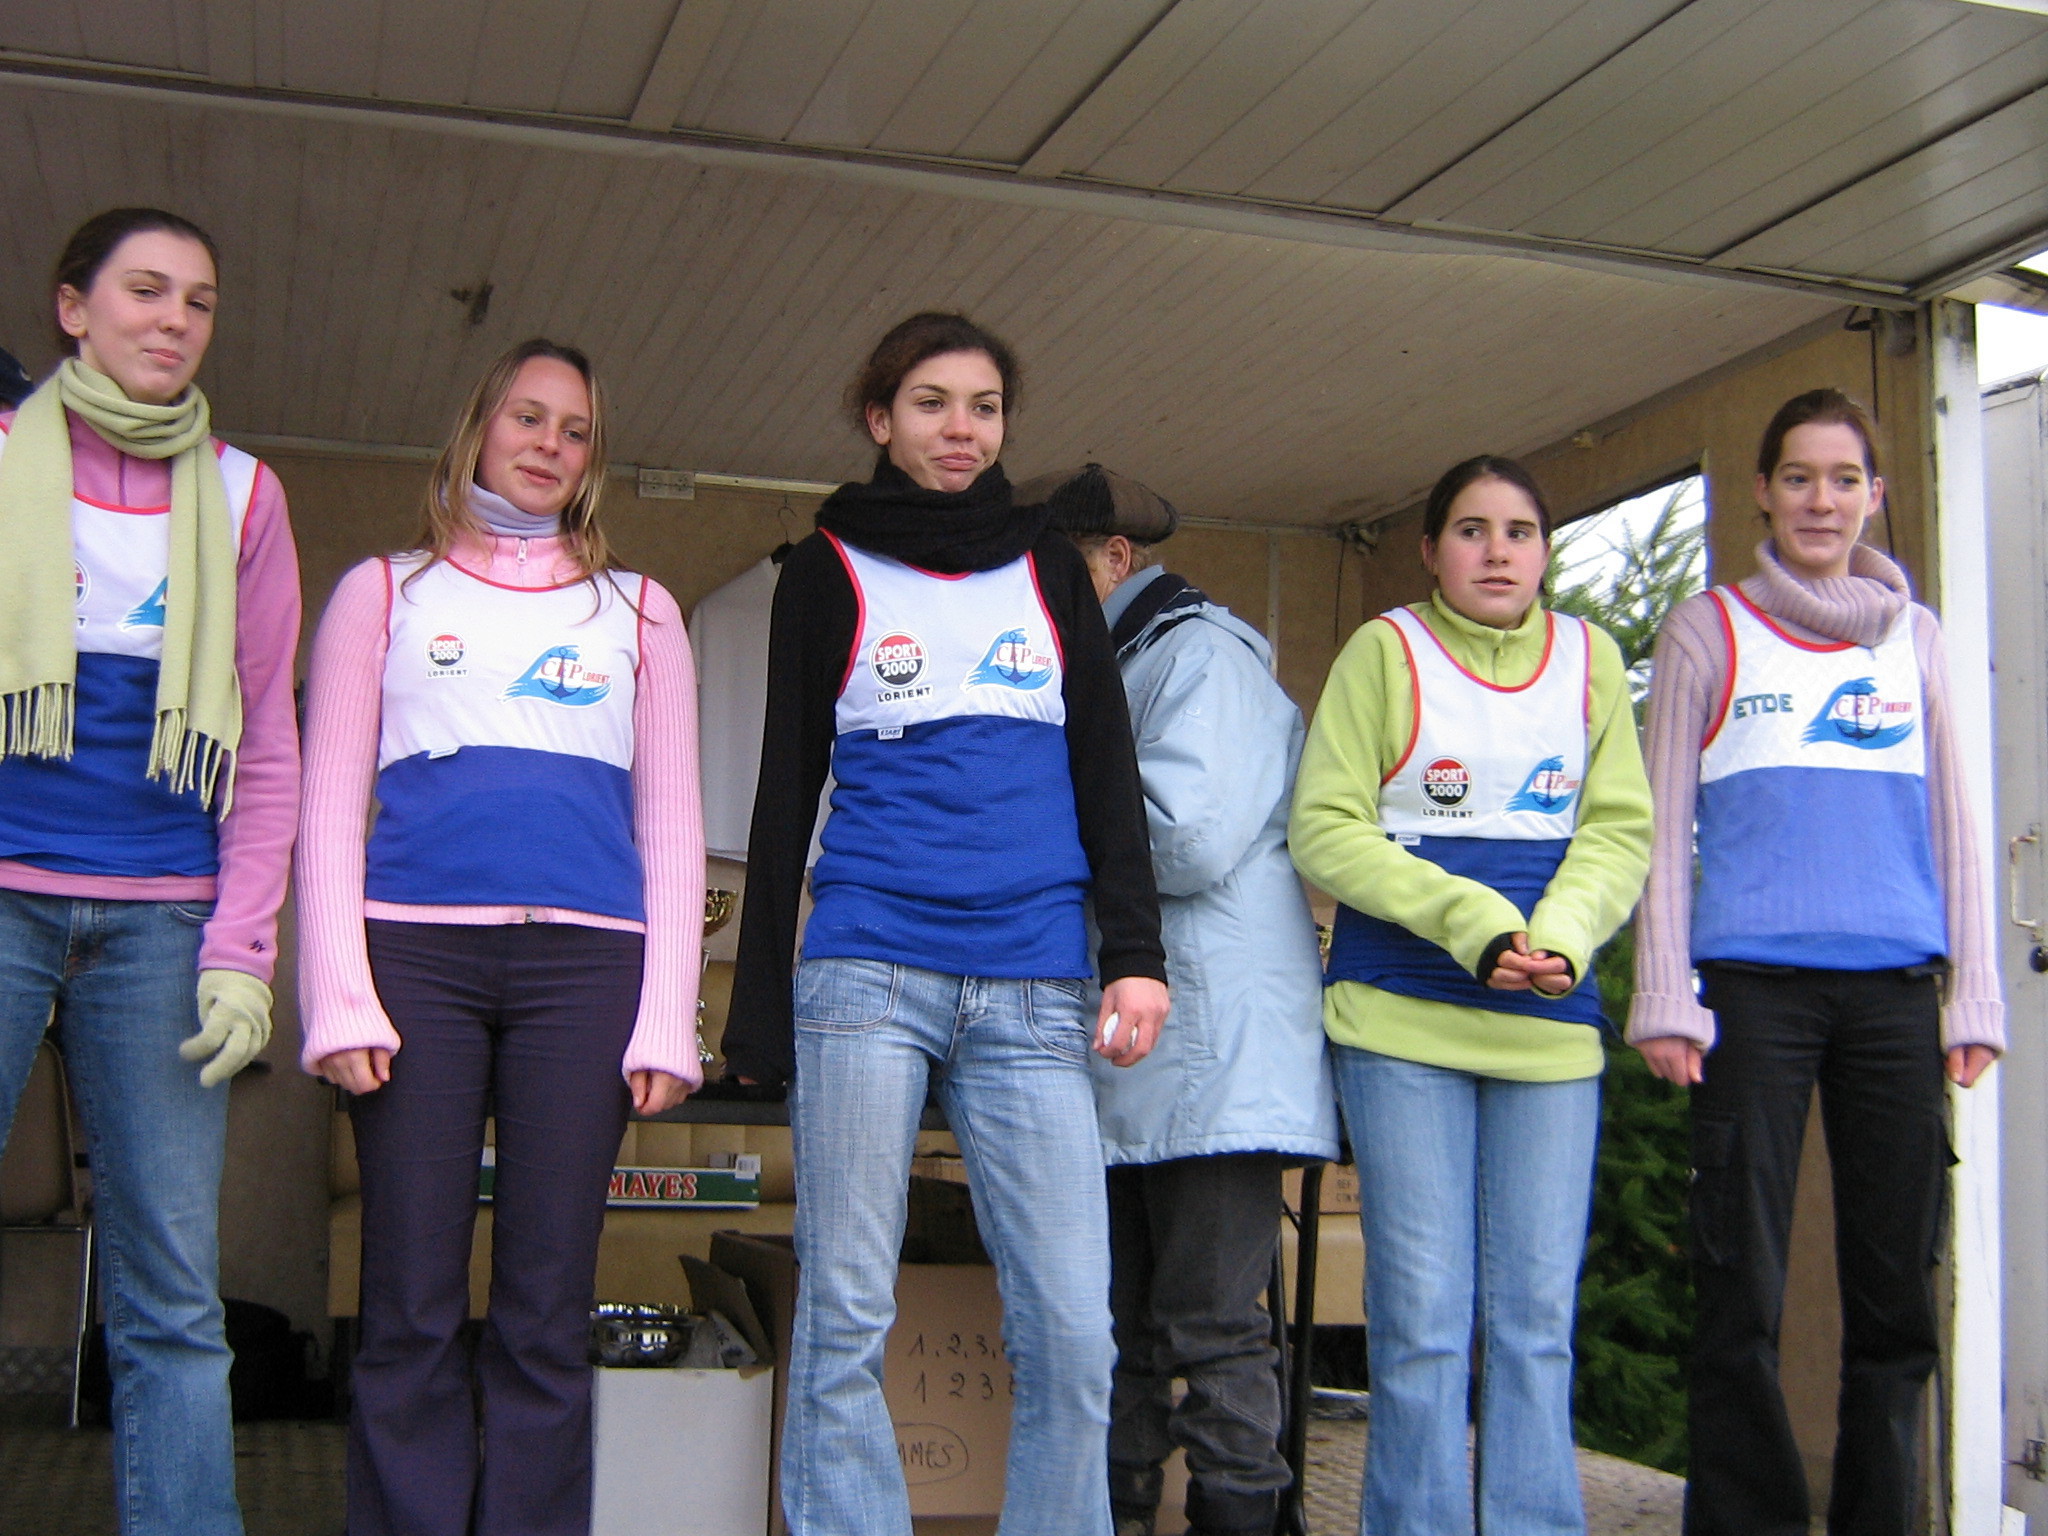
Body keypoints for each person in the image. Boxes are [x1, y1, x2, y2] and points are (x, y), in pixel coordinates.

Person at [727, 312, 1170, 1536]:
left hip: (1034, 986)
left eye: (982, 406)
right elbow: (783, 790)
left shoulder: (1048, 567)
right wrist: (757, 1013)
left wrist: (1135, 956)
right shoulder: (826, 567)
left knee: (1072, 1331)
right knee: (844, 1319)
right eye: (930, 404)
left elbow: (1104, 768)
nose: (960, 428)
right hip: (867, 975)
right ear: (880, 420)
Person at [295, 338, 705, 1536]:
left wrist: (667, 1018)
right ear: (478, 428)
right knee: (408, 1300)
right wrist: (336, 994)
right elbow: (328, 807)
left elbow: (671, 826)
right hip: (413, 961)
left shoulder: (641, 611)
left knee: (545, 1307)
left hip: (586, 972)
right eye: (527, 417)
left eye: (574, 431)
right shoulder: (385, 590)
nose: (548, 445)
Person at [1628, 388, 2002, 1536]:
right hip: (1749, 999)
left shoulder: (1915, 637)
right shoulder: (1704, 631)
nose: (1819, 501)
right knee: (1737, 1282)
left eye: (1843, 480)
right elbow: (1658, 825)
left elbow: (1954, 823)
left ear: (1873, 496)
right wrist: (1662, 993)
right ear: (1761, 491)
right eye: (1797, 477)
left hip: (1894, 997)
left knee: (1894, 1298)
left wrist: (1973, 994)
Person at [0, 207, 302, 1536]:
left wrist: (242, 950)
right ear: (74, 308)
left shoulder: (243, 493)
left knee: (173, 1297)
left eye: (200, 299)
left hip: (164, 922)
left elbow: (270, 743)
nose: (175, 318)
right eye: (145, 289)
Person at [1290, 455, 1652, 1536]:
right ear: (1429, 550)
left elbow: (1618, 832)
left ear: (1545, 551)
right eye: (1471, 530)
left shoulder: (1590, 657)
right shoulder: (1384, 651)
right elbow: (1324, 827)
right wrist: (1473, 923)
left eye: (1519, 532)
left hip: (1548, 1036)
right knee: (1420, 1319)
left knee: (1536, 1320)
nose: (1497, 552)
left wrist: (1559, 938)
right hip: (1397, 1028)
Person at [1031, 463, 1341, 1536]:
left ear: (1114, 559)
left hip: (1214, 1060)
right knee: (1111, 1330)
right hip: (1136, 1059)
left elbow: (1185, 837)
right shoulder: (1116, 662)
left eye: (1050, 566)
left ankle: (1241, 1514)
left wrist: (1024, 830)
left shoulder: (1200, 656)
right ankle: (1118, 1515)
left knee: (1210, 1326)